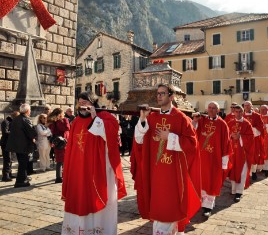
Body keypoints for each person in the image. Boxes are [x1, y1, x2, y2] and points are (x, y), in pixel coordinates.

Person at [132, 83, 201, 235]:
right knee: (157, 208)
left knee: (169, 208)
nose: (159, 96)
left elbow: (192, 144)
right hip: (155, 172)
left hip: (172, 174)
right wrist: (143, 119)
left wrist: (169, 137)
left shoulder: (181, 118)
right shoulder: (152, 117)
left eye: (162, 93)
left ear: (171, 96)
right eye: (158, 93)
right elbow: (139, 140)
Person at [61, 91, 127, 235]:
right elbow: (71, 146)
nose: (82, 105)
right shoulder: (76, 121)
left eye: (85, 102)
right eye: (80, 102)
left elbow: (111, 135)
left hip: (100, 168)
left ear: (93, 103)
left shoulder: (105, 117)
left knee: (98, 198)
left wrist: (95, 118)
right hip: (79, 168)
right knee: (79, 197)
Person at [192, 101, 231, 217]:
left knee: (212, 182)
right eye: (209, 108)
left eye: (214, 108)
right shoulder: (202, 120)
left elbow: (226, 143)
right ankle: (200, 203)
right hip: (201, 158)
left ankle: (207, 207)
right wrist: (195, 120)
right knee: (201, 181)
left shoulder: (222, 124)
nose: (211, 110)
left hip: (214, 159)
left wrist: (224, 163)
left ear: (218, 110)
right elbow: (193, 130)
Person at [6, 104, 37, 188]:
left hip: (17, 145)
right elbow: (31, 132)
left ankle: (23, 178)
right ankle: (20, 182)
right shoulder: (25, 119)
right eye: (29, 110)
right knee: (23, 164)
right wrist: (34, 137)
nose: (30, 112)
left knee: (22, 163)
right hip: (24, 145)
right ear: (27, 111)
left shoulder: (16, 119)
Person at [227, 105, 254, 202]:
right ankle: (234, 189)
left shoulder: (247, 124)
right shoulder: (230, 123)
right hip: (233, 151)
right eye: (236, 112)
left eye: (240, 112)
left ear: (243, 113)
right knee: (232, 169)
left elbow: (251, 137)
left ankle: (239, 191)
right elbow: (226, 135)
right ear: (233, 112)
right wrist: (231, 136)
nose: (238, 114)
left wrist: (240, 136)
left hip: (242, 152)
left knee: (242, 171)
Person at [243, 101, 264, 181]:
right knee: (244, 156)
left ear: (251, 106)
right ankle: (246, 172)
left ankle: (254, 172)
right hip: (244, 140)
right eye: (245, 105)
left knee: (254, 155)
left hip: (254, 139)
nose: (247, 107)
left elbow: (261, 127)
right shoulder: (242, 115)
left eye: (248, 105)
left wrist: (252, 129)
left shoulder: (256, 116)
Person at [48, 108, 70, 183]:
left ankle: (60, 176)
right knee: (61, 160)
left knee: (60, 160)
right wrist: (62, 120)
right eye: (63, 113)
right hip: (62, 142)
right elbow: (67, 128)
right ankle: (60, 177)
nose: (64, 114)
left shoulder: (53, 121)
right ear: (60, 114)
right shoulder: (60, 121)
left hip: (57, 142)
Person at [1, 111, 19, 181]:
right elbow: (5, 132)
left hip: (11, 143)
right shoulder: (5, 122)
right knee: (7, 159)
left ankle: (9, 173)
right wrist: (14, 133)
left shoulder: (12, 122)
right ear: (14, 116)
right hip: (5, 143)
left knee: (11, 159)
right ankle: (5, 175)